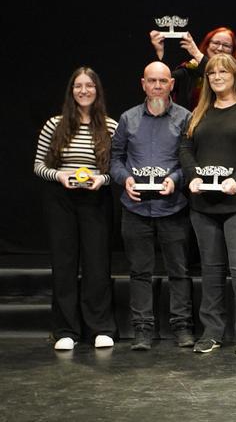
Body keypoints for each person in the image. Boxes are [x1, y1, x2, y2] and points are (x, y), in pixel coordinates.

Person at [179, 54, 236, 356]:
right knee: (211, 270)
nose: (217, 76)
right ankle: (213, 331)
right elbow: (185, 148)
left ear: (235, 76)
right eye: (211, 73)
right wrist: (192, 176)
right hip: (204, 204)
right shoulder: (198, 113)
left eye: (223, 71)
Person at [110, 62, 195, 351]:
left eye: (162, 81)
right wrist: (125, 180)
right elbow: (116, 159)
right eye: (152, 81)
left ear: (172, 84)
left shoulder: (185, 118)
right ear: (143, 84)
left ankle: (182, 327)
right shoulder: (128, 119)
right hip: (135, 208)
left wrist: (176, 179)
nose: (157, 86)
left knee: (179, 271)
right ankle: (142, 329)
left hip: (173, 206)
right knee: (139, 272)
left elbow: (191, 161)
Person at [34, 67, 118, 350]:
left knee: (97, 265)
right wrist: (59, 175)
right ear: (71, 91)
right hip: (61, 200)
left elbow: (117, 169)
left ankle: (101, 328)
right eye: (78, 86)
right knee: (64, 264)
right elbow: (39, 166)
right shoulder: (54, 125)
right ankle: (66, 331)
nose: (84, 90)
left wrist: (101, 179)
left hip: (95, 199)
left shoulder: (111, 126)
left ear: (97, 90)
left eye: (89, 86)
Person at [150, 26, 236, 111]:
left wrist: (197, 54)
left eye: (226, 45)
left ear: (233, 50)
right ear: (207, 45)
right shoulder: (191, 67)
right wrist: (159, 51)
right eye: (216, 43)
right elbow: (167, 81)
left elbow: (214, 72)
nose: (220, 48)